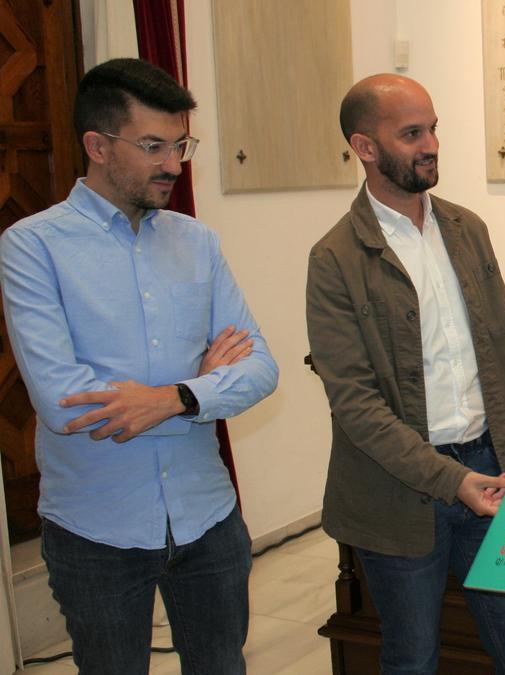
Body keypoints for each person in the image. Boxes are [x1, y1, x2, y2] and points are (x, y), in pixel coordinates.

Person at [306, 74, 505, 675]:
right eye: (411, 133)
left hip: (494, 468)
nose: (431, 144)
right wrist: (451, 480)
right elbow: (356, 406)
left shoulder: (466, 229)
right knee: (412, 656)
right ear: (366, 147)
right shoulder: (334, 258)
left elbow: (502, 339)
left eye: (434, 128)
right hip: (400, 492)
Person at [0, 58, 279, 673]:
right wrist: (205, 386)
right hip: (96, 529)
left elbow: (261, 368)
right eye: (153, 146)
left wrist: (172, 397)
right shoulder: (32, 245)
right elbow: (61, 400)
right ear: (97, 146)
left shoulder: (196, 241)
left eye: (180, 145)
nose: (173, 165)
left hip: (208, 516)